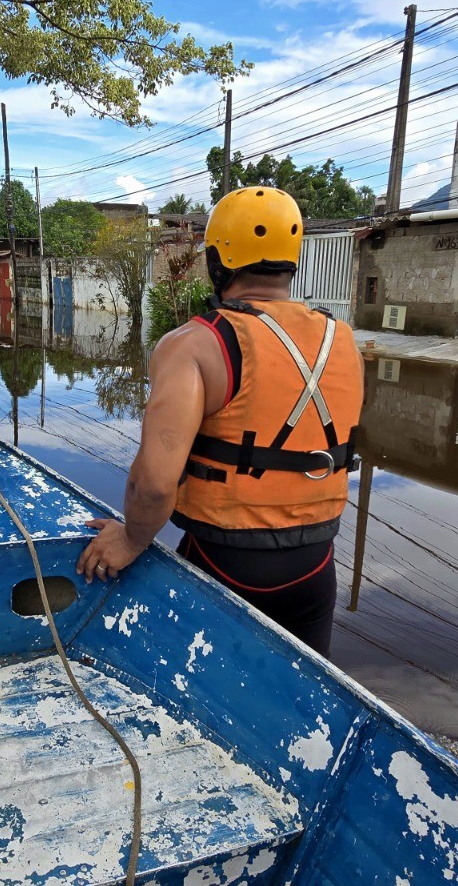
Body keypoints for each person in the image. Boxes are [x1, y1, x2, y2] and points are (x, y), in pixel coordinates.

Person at [76, 186, 364, 657]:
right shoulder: (344, 341)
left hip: (226, 564)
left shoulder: (193, 344)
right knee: (303, 709)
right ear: (292, 262)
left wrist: (130, 538)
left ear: (216, 261)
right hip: (315, 568)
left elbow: (153, 484)